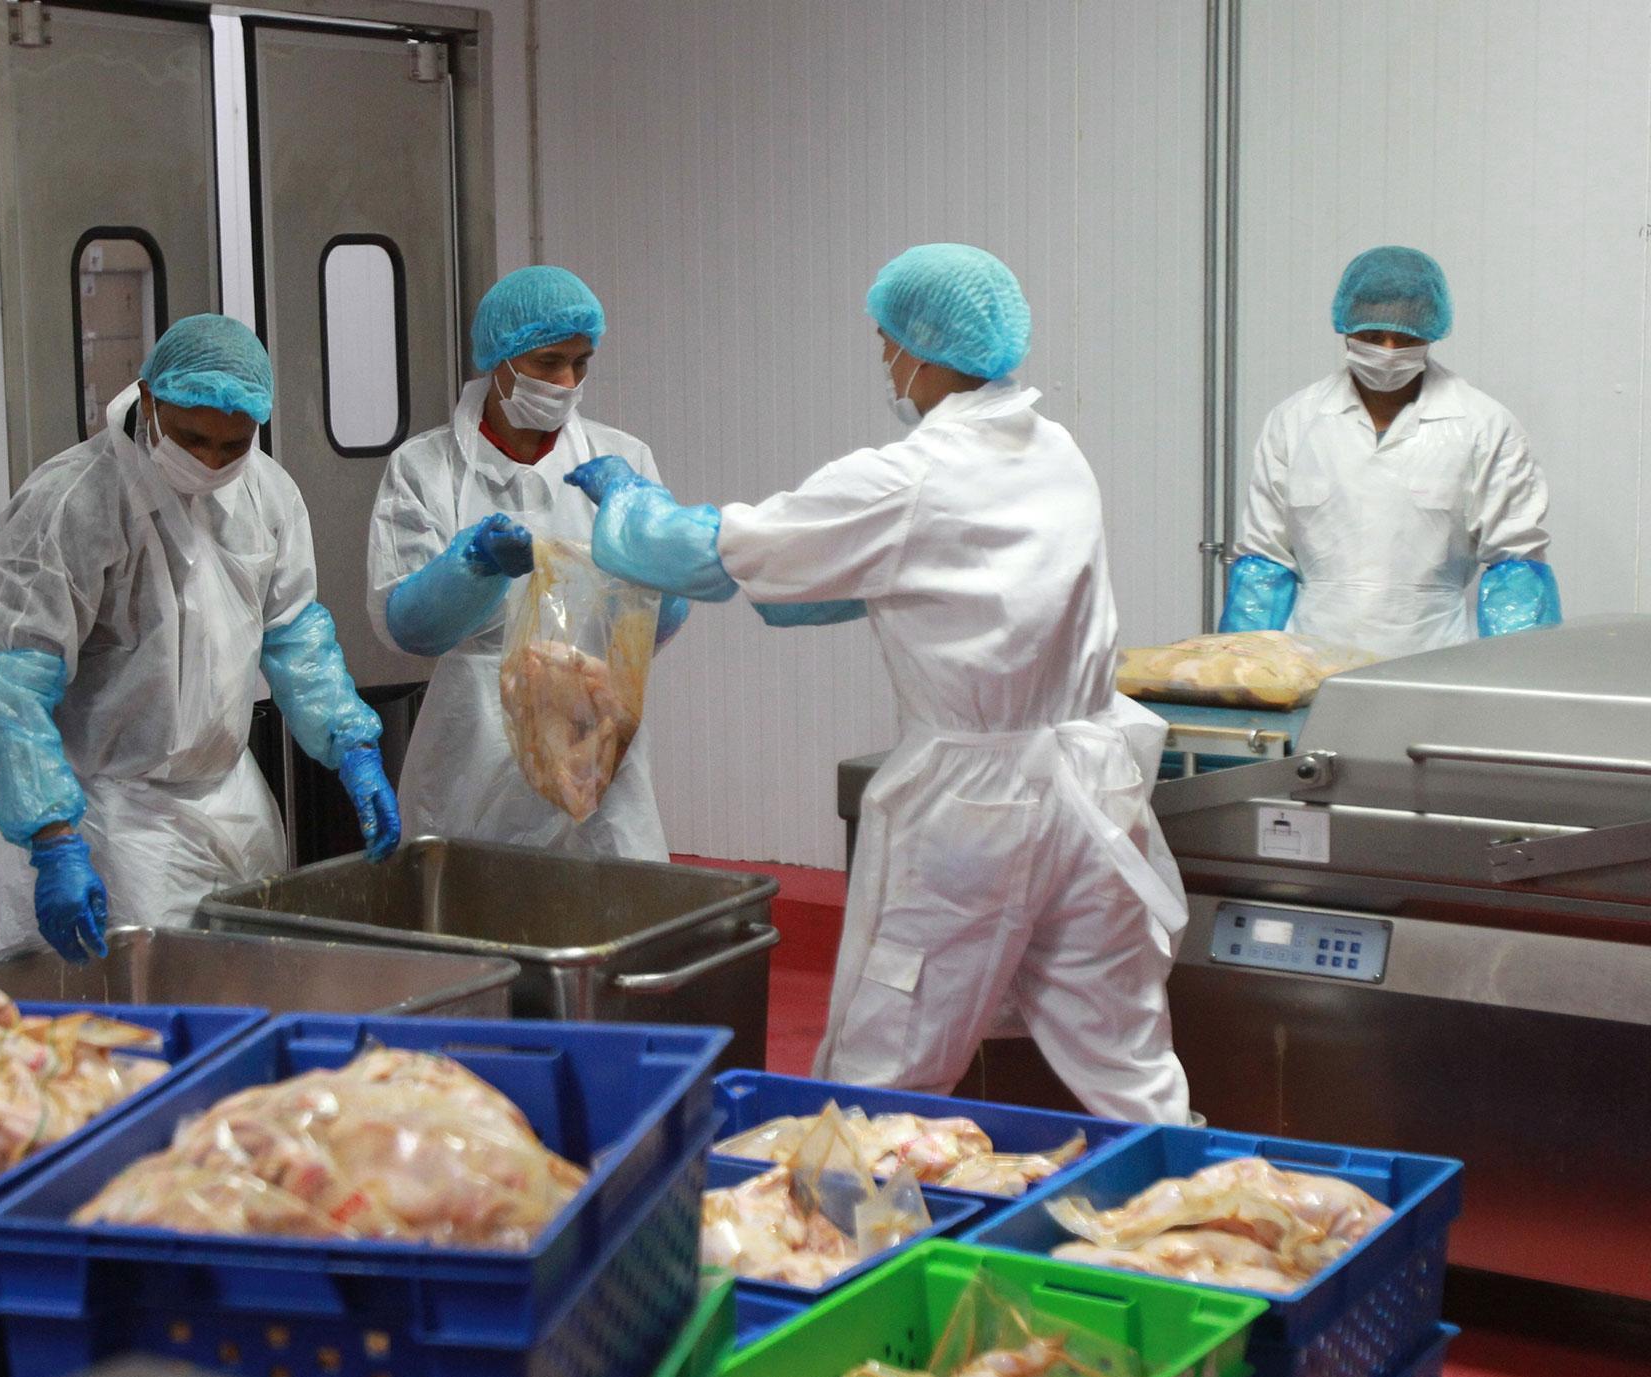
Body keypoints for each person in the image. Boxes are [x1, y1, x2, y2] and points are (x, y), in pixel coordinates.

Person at [566, 244, 1191, 1125]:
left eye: (886, 343)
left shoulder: (908, 475)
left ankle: (844, 1242)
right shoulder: (1055, 450)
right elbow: (955, 587)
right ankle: (1193, 1238)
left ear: (925, 351)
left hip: (973, 810)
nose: (885, 363)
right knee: (1129, 1064)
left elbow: (709, 552)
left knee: (878, 1073)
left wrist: (627, 504)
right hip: (1093, 800)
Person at [0, 314, 400, 962]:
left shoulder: (267, 493)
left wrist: (354, 746)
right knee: (137, 1025)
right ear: (148, 400)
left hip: (229, 797)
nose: (210, 462)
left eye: (232, 446)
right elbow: (15, 689)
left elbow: (295, 638)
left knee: (252, 992)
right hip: (110, 816)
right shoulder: (74, 502)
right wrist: (53, 835)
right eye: (192, 438)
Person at [366, 266, 687, 860]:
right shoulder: (426, 468)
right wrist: (475, 568)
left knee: (611, 931)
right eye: (547, 363)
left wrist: (653, 549)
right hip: (475, 751)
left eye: (581, 361)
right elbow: (407, 626)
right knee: (476, 928)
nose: (567, 381)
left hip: (598, 751)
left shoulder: (622, 458)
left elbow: (659, 626)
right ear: (499, 359)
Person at [1224, 245, 1561, 656]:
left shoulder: (1483, 426)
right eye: (1371, 336)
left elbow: (1517, 568)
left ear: (1431, 333)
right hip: (1309, 659)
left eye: (1404, 338)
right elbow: (1264, 564)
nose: (1386, 351)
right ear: (1346, 328)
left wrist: (1516, 679)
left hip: (1433, 662)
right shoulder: (1295, 422)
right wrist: (1242, 672)